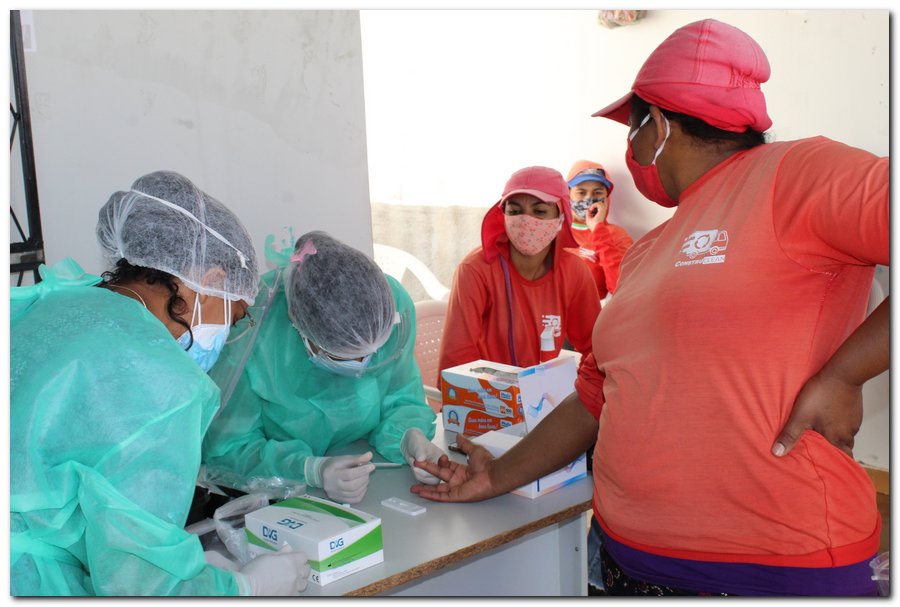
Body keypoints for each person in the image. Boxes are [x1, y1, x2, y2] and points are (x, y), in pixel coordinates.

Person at [411, 19, 888, 597]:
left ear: (656, 126)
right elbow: (595, 397)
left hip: (774, 564)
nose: (630, 150)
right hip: (626, 562)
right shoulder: (649, 252)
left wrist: (846, 372)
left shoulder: (797, 175)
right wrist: (498, 475)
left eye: (631, 130)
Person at [10, 171, 311, 596]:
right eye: (235, 315)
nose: (226, 337)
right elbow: (141, 583)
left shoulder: (55, 303)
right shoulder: (161, 382)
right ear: (211, 282)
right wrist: (242, 587)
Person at [201, 230, 445, 505]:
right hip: (284, 497)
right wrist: (309, 470)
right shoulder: (252, 329)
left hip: (374, 477)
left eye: (371, 354)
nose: (362, 366)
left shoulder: (387, 306)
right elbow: (229, 448)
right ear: (300, 328)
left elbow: (401, 393)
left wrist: (408, 436)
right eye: (342, 358)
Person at [437, 166, 601, 378]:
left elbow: (596, 349)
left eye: (540, 211)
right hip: (485, 396)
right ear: (502, 214)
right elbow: (456, 358)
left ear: (561, 216)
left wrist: (588, 393)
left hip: (544, 395)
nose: (525, 221)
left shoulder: (574, 272)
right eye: (514, 211)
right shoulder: (475, 270)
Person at [565, 160, 633, 299]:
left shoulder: (617, 235)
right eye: (581, 192)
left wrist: (598, 230)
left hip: (591, 315)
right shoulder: (552, 231)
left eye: (597, 192)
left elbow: (620, 289)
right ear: (568, 193)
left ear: (606, 198)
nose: (589, 198)